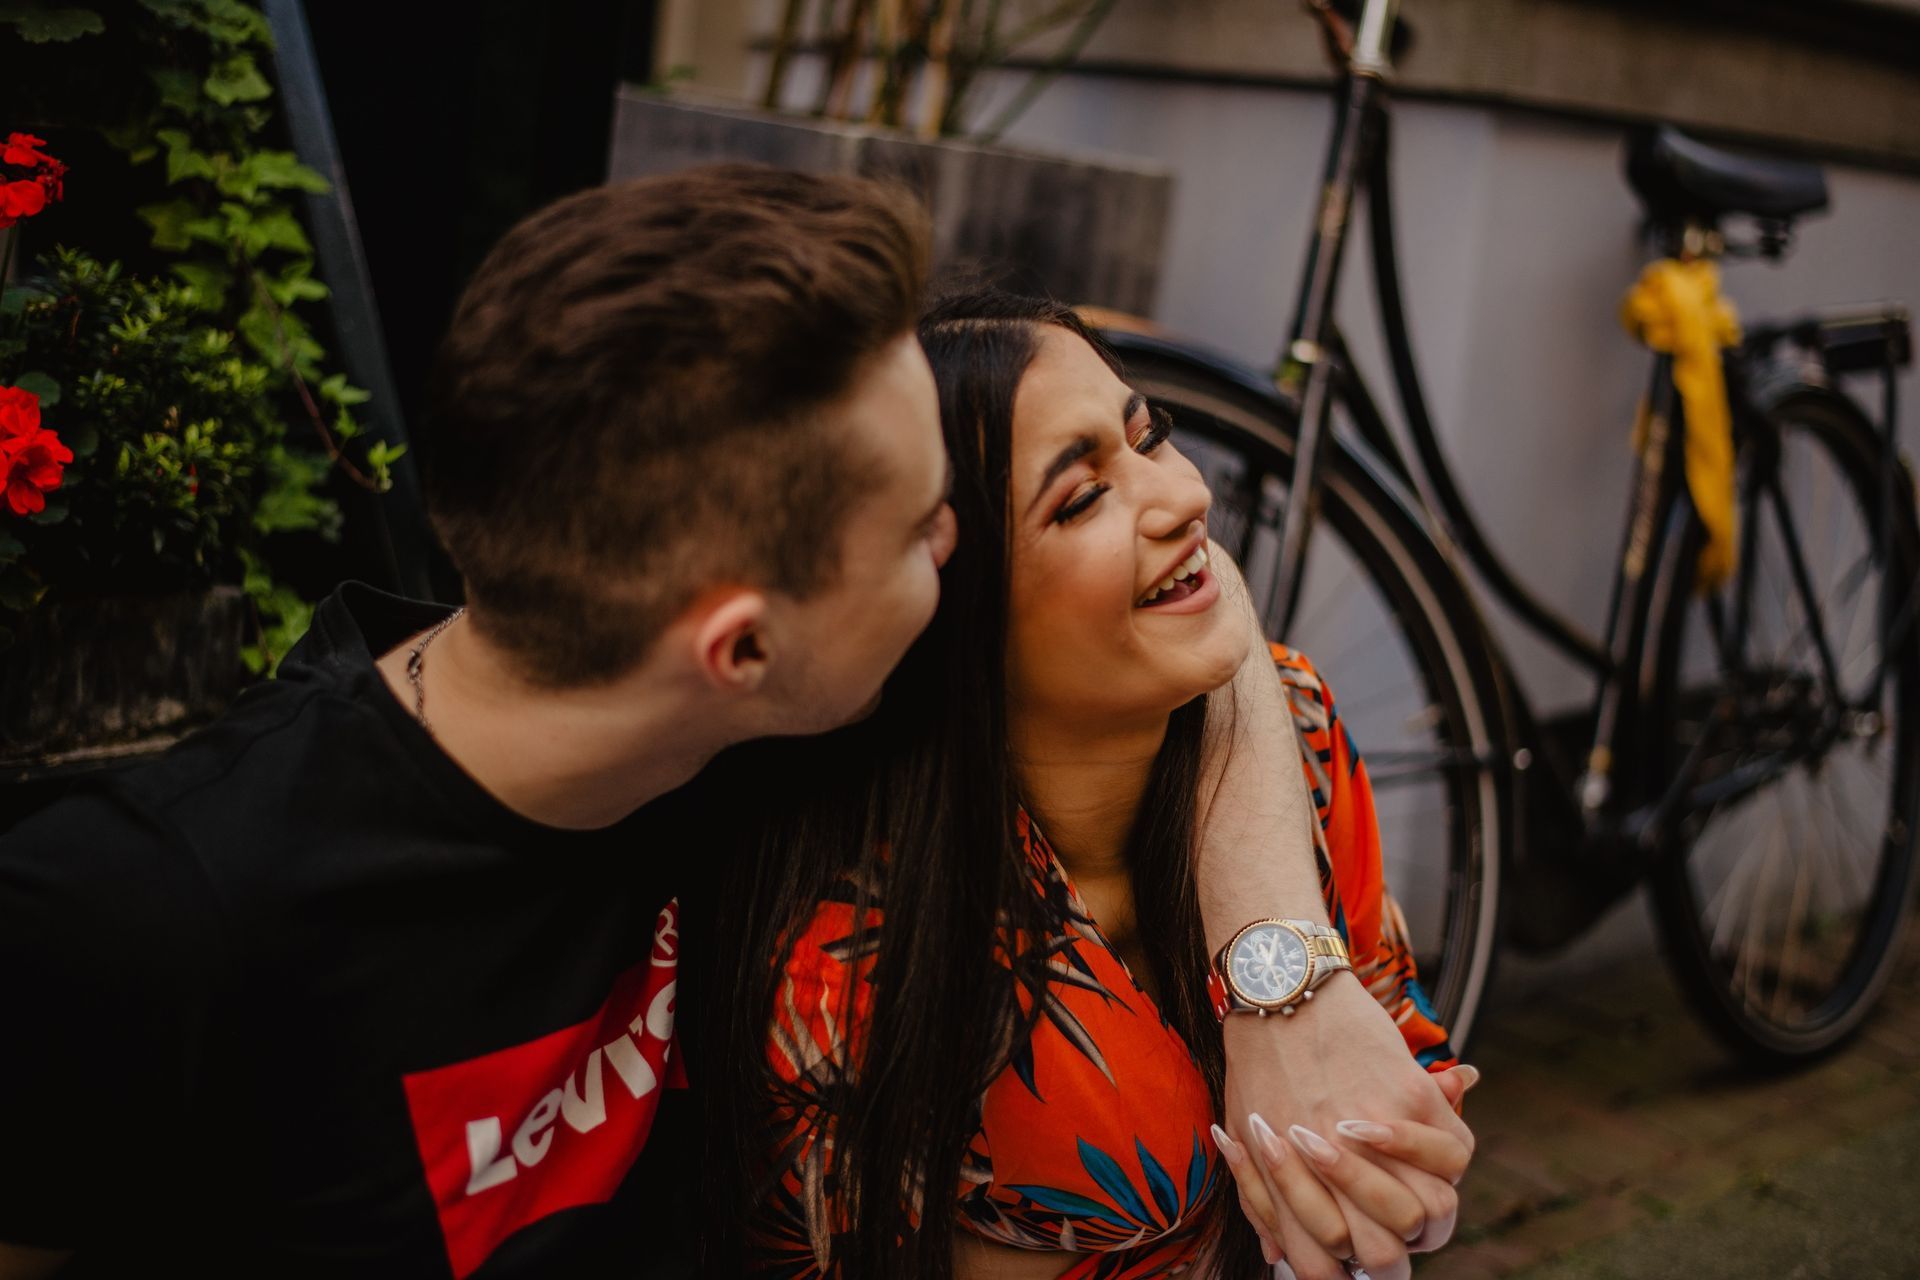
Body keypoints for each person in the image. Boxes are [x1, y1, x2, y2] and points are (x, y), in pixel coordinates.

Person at [0, 167, 1467, 1280]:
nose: (957, 564)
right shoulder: (142, 912)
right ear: (741, 644)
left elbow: (1218, 660)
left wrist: (1281, 986)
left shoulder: (754, 734)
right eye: (923, 536)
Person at [691, 291, 1475, 1280]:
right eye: (1081, 496)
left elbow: (1391, 1058)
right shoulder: (858, 956)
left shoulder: (1298, 723)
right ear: (938, 606)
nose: (1187, 497)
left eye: (1151, 437)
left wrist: (1396, 1180)